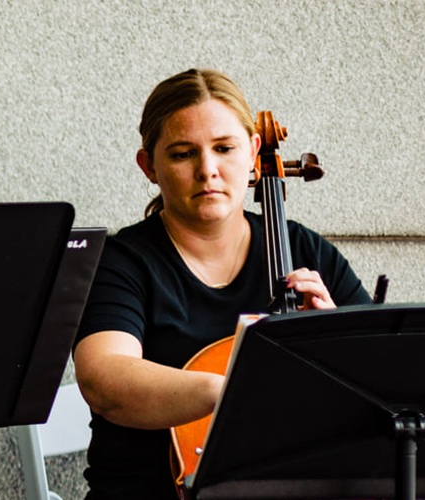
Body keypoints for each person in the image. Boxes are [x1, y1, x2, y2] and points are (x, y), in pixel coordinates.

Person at [71, 68, 370, 498]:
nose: (207, 170)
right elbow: (105, 380)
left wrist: (333, 342)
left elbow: (383, 388)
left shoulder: (305, 251)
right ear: (148, 166)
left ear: (252, 153)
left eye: (224, 148)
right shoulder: (121, 264)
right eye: (181, 154)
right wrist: (230, 388)